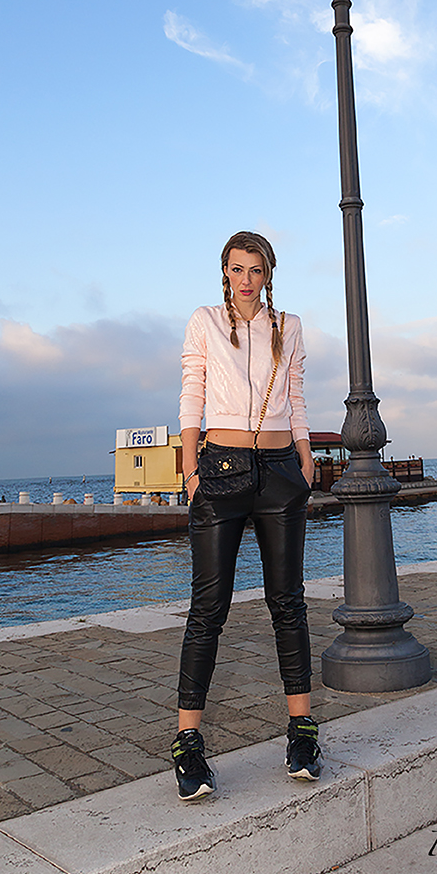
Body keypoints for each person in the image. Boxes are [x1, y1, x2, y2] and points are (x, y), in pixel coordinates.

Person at [170, 230, 321, 800]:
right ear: (224, 273)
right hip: (221, 470)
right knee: (208, 608)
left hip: (282, 472)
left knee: (288, 602)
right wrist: (190, 471)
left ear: (269, 274)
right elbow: (192, 394)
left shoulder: (290, 327)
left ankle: (302, 730)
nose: (245, 281)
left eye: (255, 271)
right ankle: (188, 743)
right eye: (236, 270)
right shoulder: (204, 321)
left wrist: (305, 461)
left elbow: (298, 396)